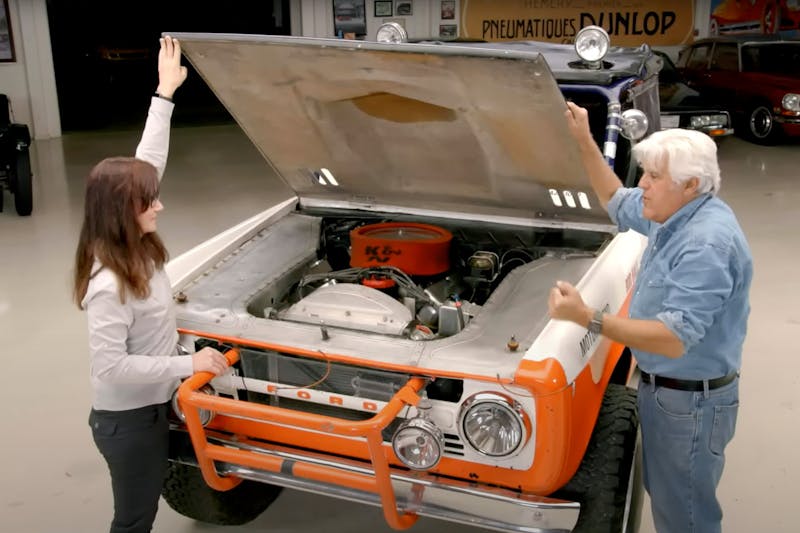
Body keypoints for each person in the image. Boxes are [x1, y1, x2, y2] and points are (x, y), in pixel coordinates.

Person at [550, 102, 752, 533]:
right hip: (668, 393)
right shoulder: (675, 212)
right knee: (671, 500)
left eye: (653, 176)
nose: (641, 184)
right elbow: (612, 198)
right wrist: (583, 140)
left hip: (690, 406)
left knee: (686, 518)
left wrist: (586, 317)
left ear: (692, 184)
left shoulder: (705, 245)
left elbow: (672, 337)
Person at [72, 36, 229, 533]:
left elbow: (148, 160)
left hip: (152, 407)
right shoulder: (108, 282)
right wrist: (191, 362)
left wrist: (164, 94)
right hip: (129, 421)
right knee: (136, 517)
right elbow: (111, 367)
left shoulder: (127, 240)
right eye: (149, 203)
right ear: (124, 213)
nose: (159, 206)